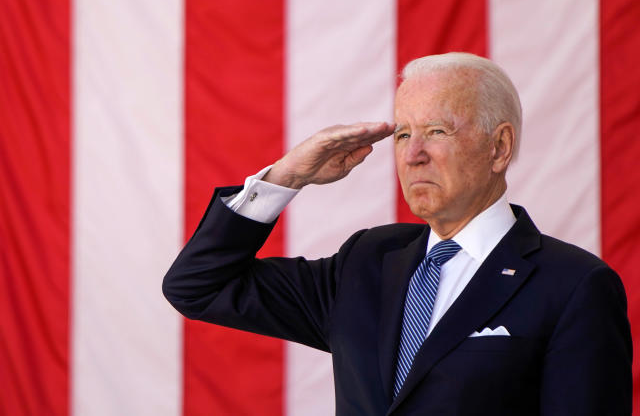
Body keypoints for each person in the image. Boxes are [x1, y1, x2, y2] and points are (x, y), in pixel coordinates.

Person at [163, 52, 632, 415]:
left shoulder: (574, 285)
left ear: (499, 146)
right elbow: (199, 286)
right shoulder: (366, 261)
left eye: (437, 131)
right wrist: (286, 177)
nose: (413, 155)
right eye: (404, 134)